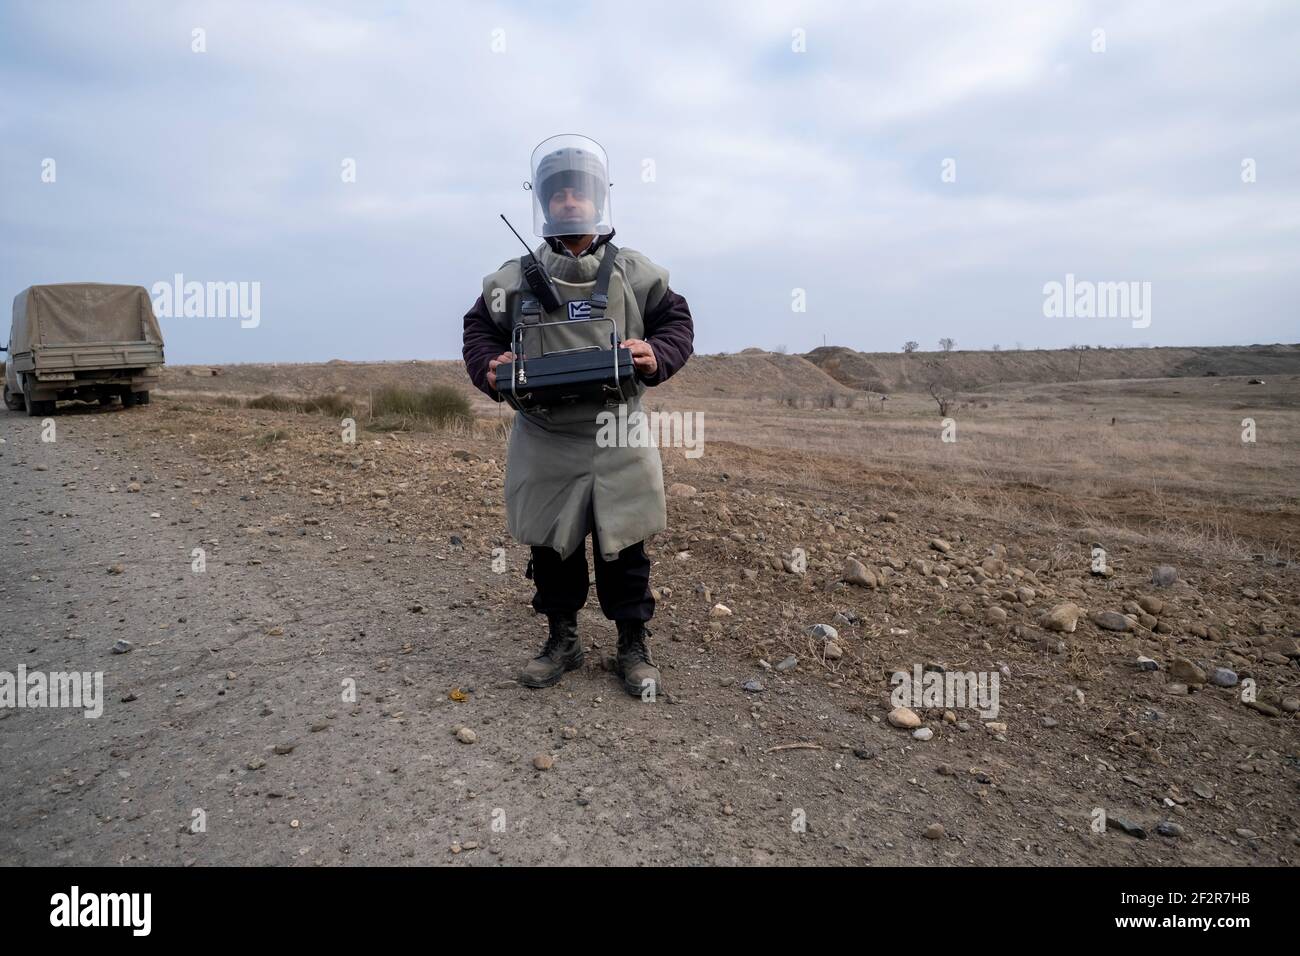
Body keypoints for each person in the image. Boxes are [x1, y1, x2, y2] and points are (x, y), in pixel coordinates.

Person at [461, 134, 694, 697]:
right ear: (543, 203)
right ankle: (562, 639)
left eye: (578, 191)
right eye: (557, 192)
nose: (568, 200)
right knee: (551, 543)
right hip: (543, 433)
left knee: (625, 542)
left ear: (597, 199)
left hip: (618, 430)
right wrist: (491, 365)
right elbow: (477, 333)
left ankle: (632, 645)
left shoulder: (636, 273)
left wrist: (655, 354)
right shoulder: (510, 280)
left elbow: (677, 324)